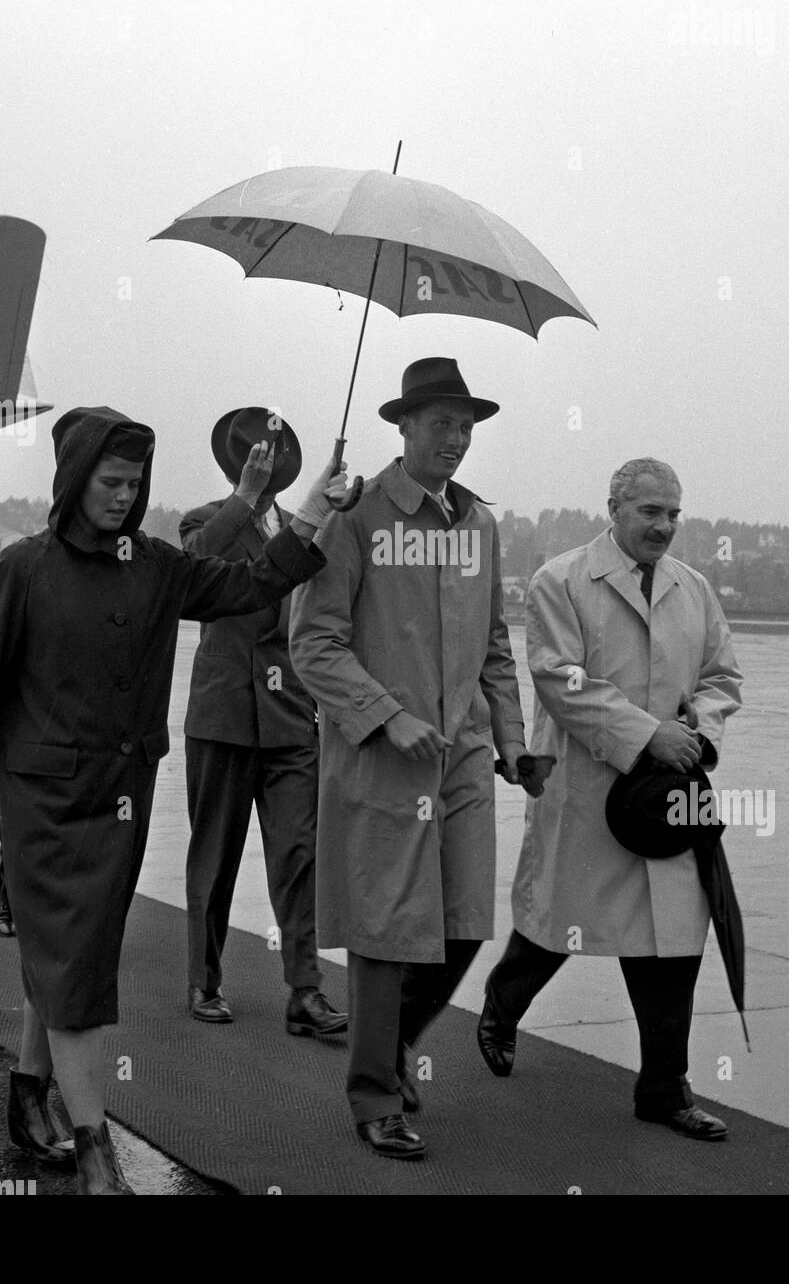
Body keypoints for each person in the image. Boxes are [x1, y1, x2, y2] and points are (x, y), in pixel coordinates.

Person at [0, 405, 346, 1194]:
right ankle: (95, 1155)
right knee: (76, 973)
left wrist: (313, 507)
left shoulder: (155, 565)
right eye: (110, 481)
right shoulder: (21, 568)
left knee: (72, 958)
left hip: (122, 796)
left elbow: (253, 582)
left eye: (134, 481)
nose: (124, 494)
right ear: (74, 481)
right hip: (42, 803)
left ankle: (26, 1093)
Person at [289, 357, 527, 1160]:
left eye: (465, 425)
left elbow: (495, 643)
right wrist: (384, 717)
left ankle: (390, 1046)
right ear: (403, 426)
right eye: (440, 423)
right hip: (383, 757)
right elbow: (312, 643)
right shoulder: (353, 517)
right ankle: (374, 1097)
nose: (455, 438)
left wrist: (515, 739)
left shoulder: (479, 525)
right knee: (386, 933)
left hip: (462, 755)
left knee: (465, 924)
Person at [477, 458, 743, 1140]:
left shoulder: (694, 589)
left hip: (667, 797)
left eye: (674, 514)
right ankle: (502, 1005)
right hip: (590, 789)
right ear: (614, 508)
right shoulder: (559, 580)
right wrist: (647, 733)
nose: (664, 526)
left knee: (673, 941)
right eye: (650, 511)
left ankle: (663, 1089)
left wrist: (698, 733)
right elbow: (560, 681)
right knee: (559, 924)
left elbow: (720, 677)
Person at [180, 408, 346, 1037]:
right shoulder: (205, 520)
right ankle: (203, 981)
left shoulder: (310, 529)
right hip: (222, 716)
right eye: (255, 458)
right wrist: (245, 499)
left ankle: (306, 992)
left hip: (289, 719)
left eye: (273, 458)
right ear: (238, 465)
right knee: (214, 856)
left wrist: (327, 504)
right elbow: (197, 567)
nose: (265, 463)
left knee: (299, 854)